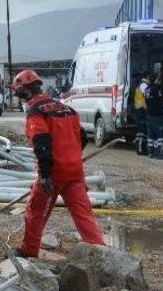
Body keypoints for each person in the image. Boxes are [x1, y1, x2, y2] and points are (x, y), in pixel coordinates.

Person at [11, 70, 105, 257]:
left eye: (20, 96)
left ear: (24, 92)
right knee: (83, 215)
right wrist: (71, 154)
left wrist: (45, 176)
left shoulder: (36, 112)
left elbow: (41, 144)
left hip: (53, 173)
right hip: (75, 171)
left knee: (36, 212)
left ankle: (29, 251)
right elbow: (83, 137)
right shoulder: (67, 109)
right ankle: (101, 253)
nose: (21, 101)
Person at [145, 73, 163, 159]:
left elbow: (147, 100)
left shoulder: (147, 89)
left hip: (149, 114)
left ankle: (150, 152)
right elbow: (160, 101)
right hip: (157, 115)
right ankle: (158, 154)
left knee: (151, 134)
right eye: (158, 79)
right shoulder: (157, 89)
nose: (159, 80)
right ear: (155, 80)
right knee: (160, 134)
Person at [132, 73, 149, 156]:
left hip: (139, 109)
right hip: (141, 109)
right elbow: (147, 94)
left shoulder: (140, 84)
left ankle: (141, 148)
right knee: (142, 131)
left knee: (141, 130)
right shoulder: (143, 85)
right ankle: (140, 149)